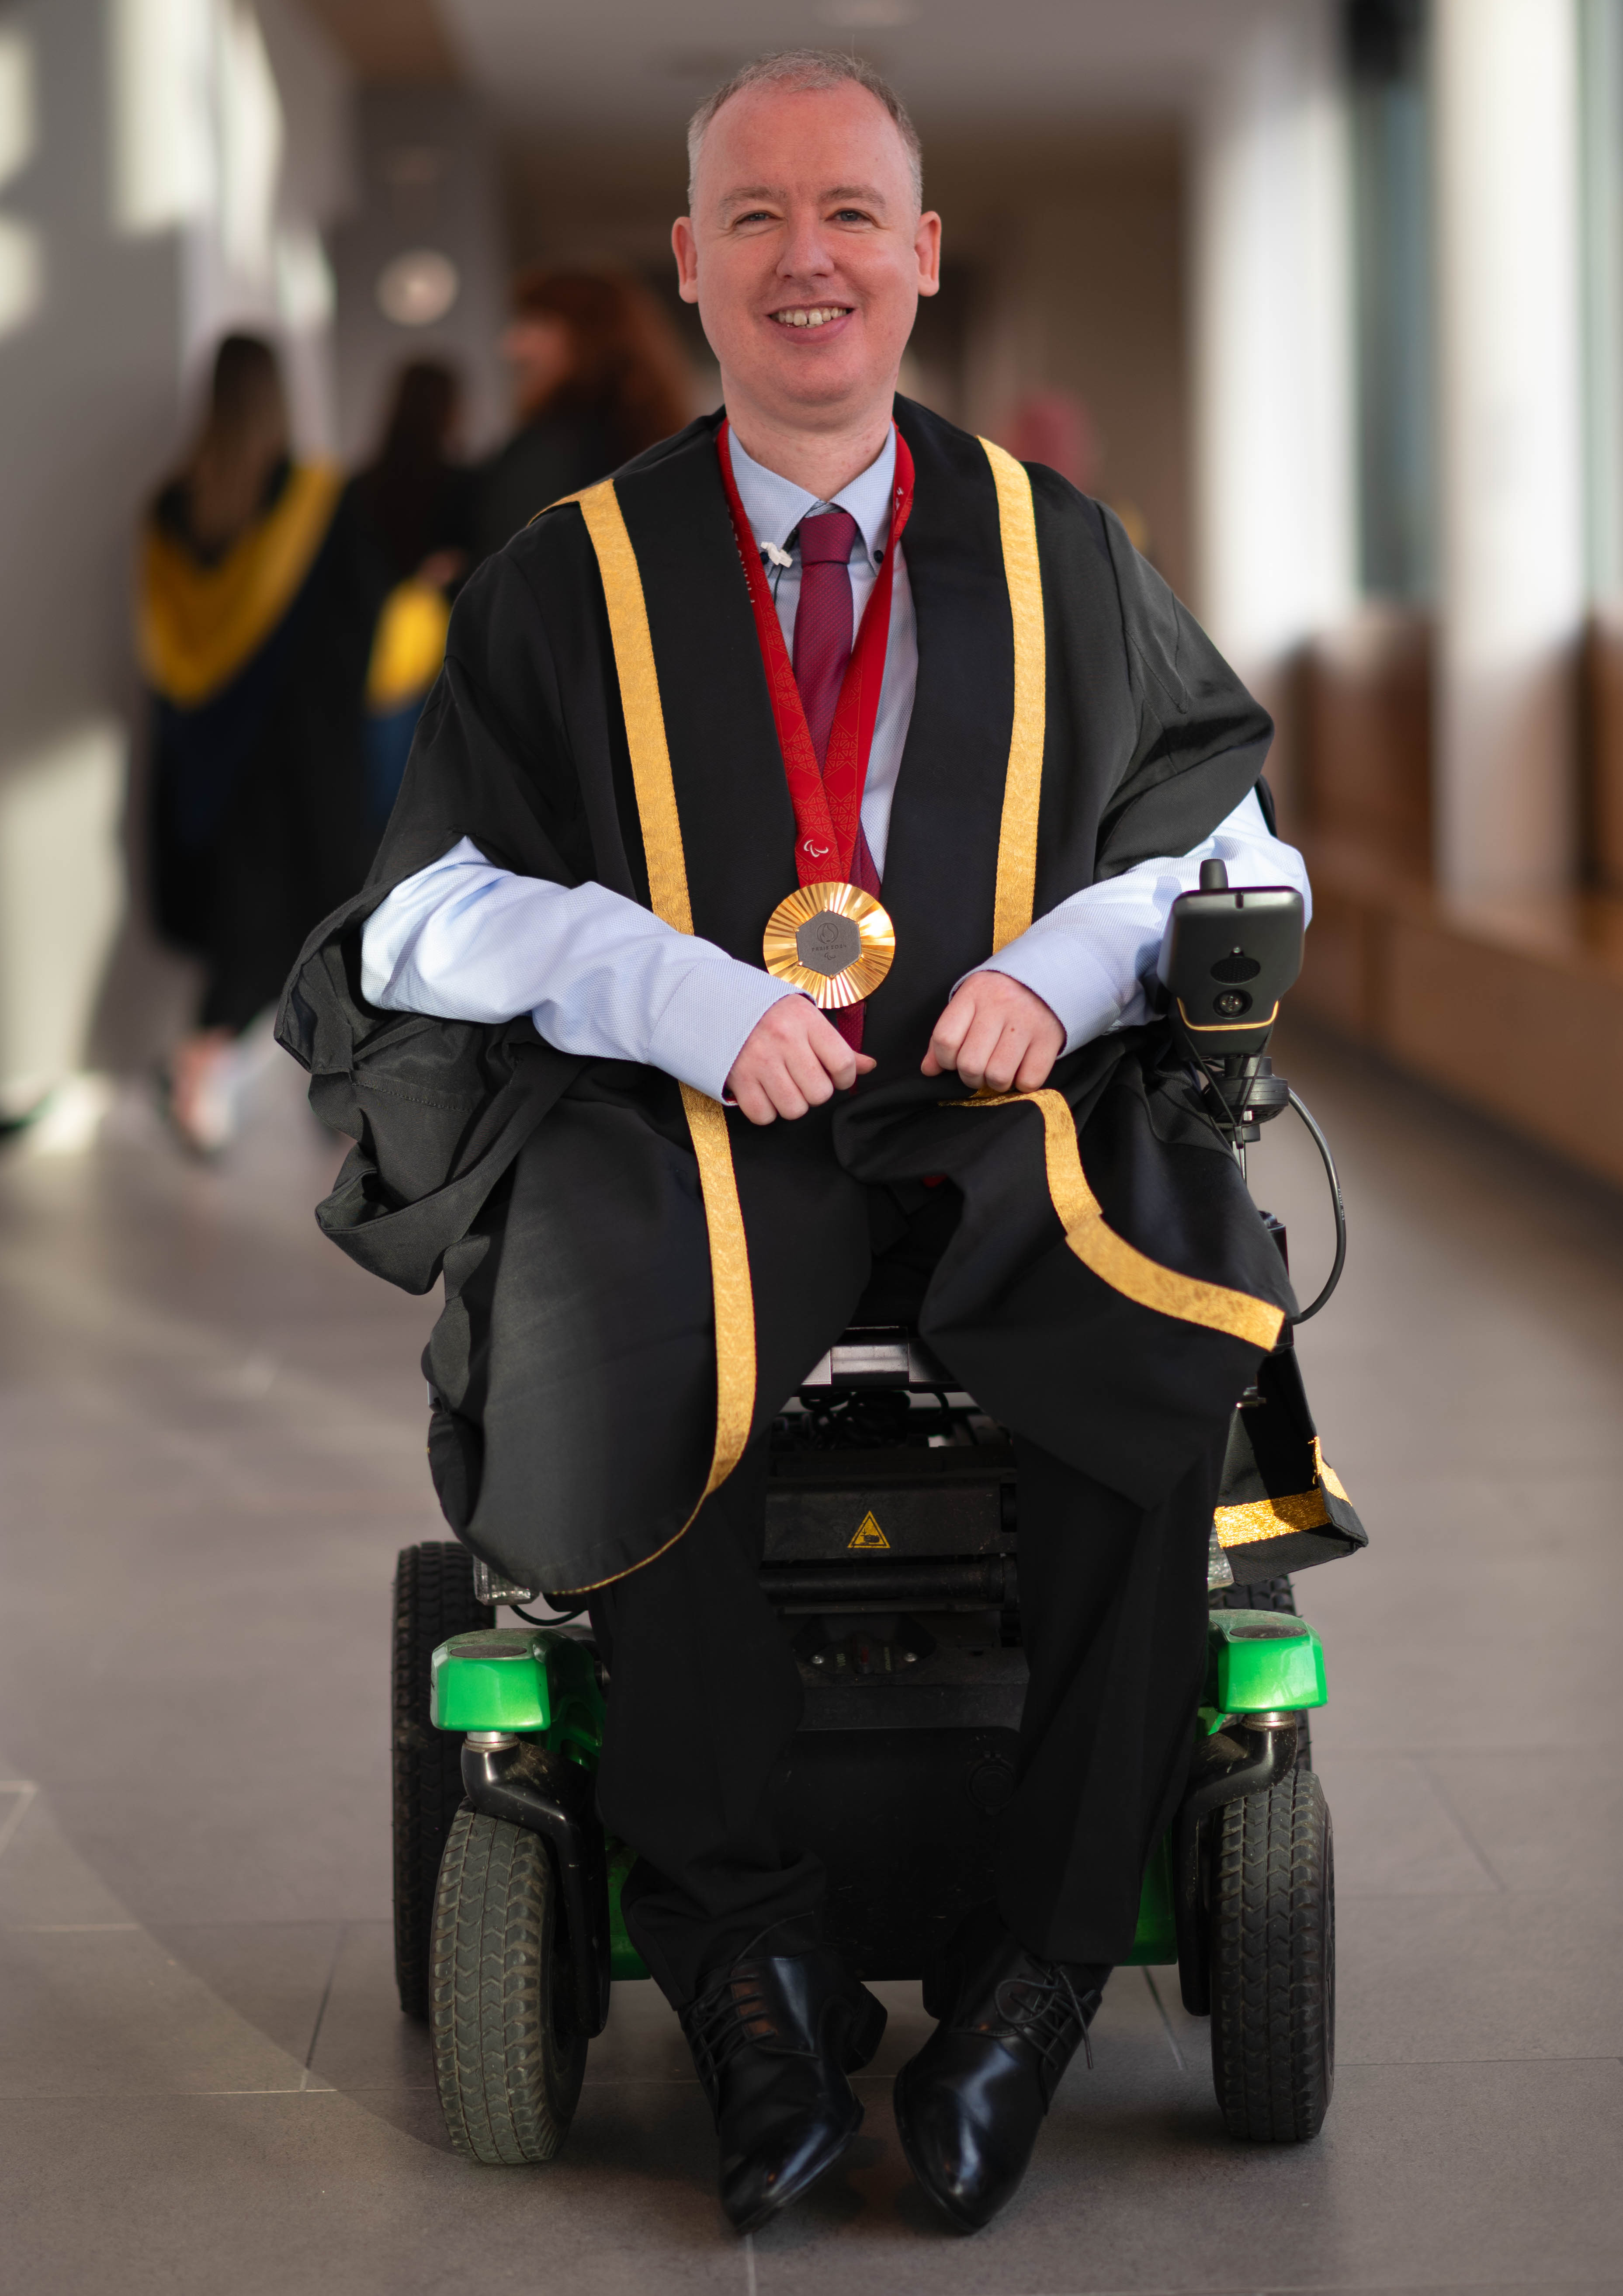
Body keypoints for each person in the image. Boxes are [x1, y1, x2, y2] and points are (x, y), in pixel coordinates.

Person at [279, 52, 1312, 2236]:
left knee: (1159, 1359)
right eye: (752, 218)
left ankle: (1030, 1978)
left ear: (919, 259)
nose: (804, 259)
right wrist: (683, 991)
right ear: (690, 266)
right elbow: (428, 907)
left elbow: (1229, 839)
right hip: (694, 1119)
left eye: (848, 213)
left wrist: (1063, 959)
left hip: (996, 1107)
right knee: (610, 1334)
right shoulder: (568, 575)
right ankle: (752, 1963)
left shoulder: (1063, 557)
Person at [141, 334, 391, 1151]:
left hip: (212, 756)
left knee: (246, 918)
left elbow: (165, 647)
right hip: (307, 751)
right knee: (330, 914)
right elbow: (362, 629)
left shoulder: (172, 507)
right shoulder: (317, 499)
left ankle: (223, 1070)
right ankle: (317, 1090)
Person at [473, 267, 695, 559]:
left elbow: (518, 572)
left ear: (588, 337)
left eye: (532, 325)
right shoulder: (667, 448)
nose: (512, 348)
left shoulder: (553, 449)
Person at [347, 360, 476, 833]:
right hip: (446, 651)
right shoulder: (466, 485)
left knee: (382, 798)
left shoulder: (360, 486)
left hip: (376, 657)